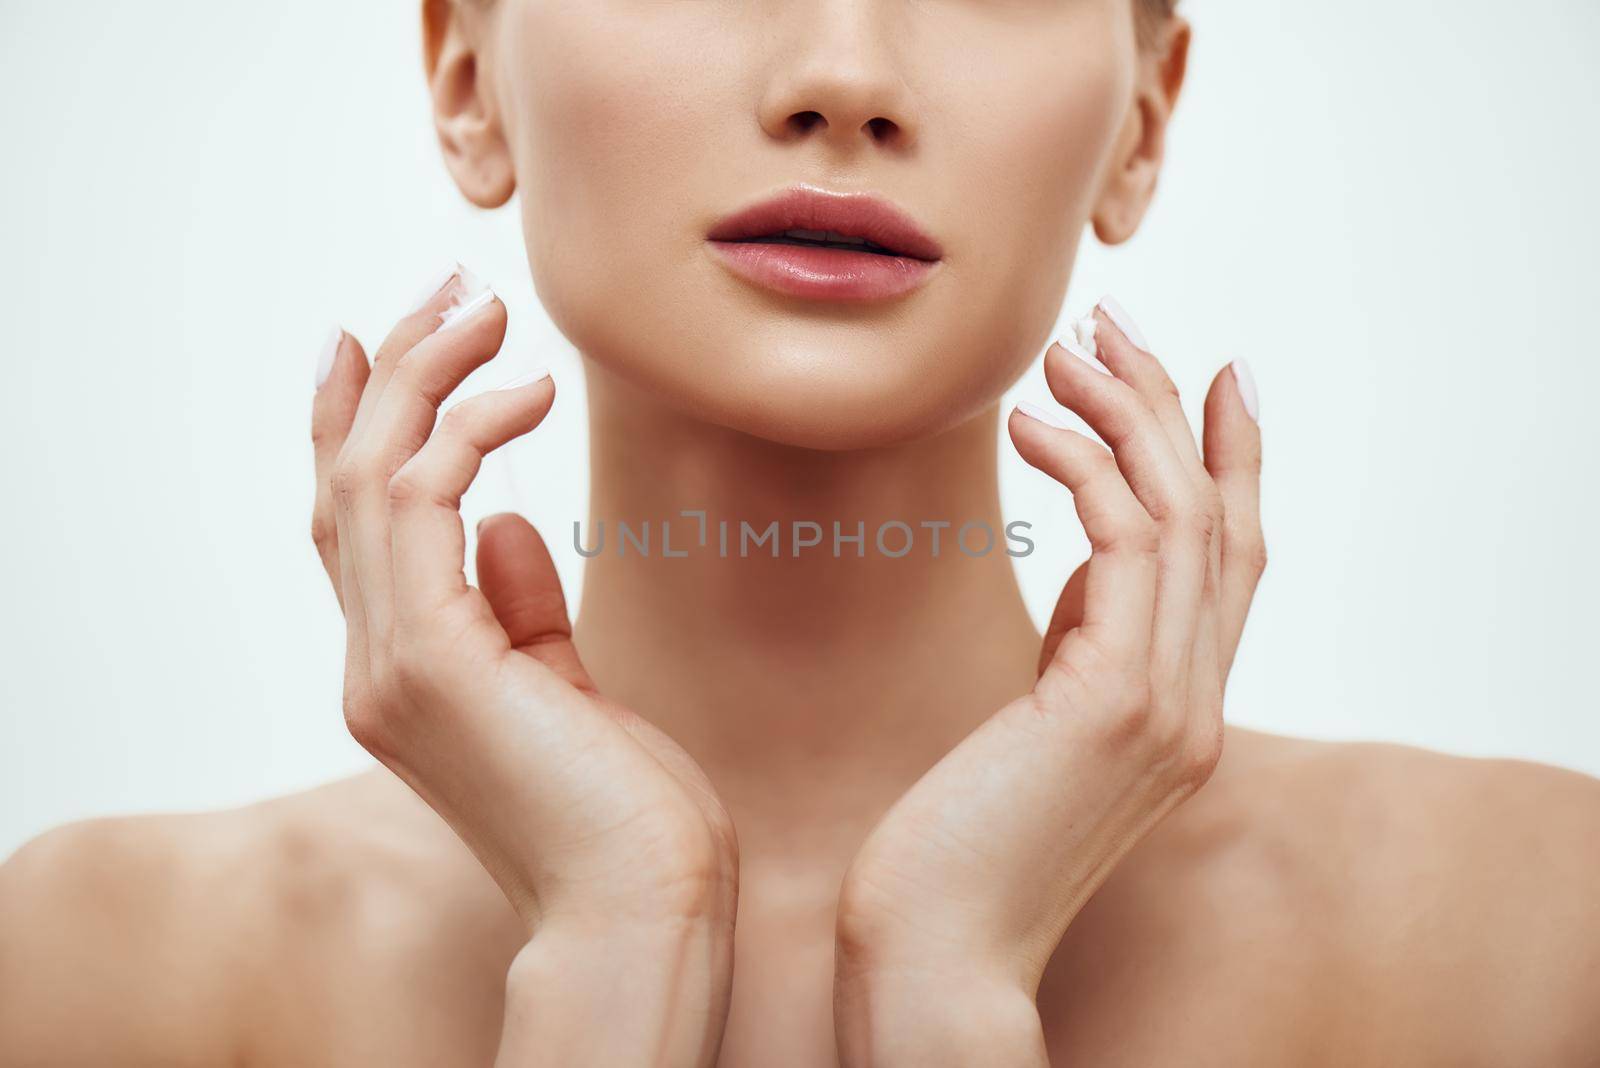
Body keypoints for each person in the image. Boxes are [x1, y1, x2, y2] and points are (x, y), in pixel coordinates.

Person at [3, 1, 1597, 1064]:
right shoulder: (96, 976)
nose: (843, 73)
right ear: (466, 74)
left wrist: (950, 983)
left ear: (1143, 118)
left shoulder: (1538, 942)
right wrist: (608, 960)